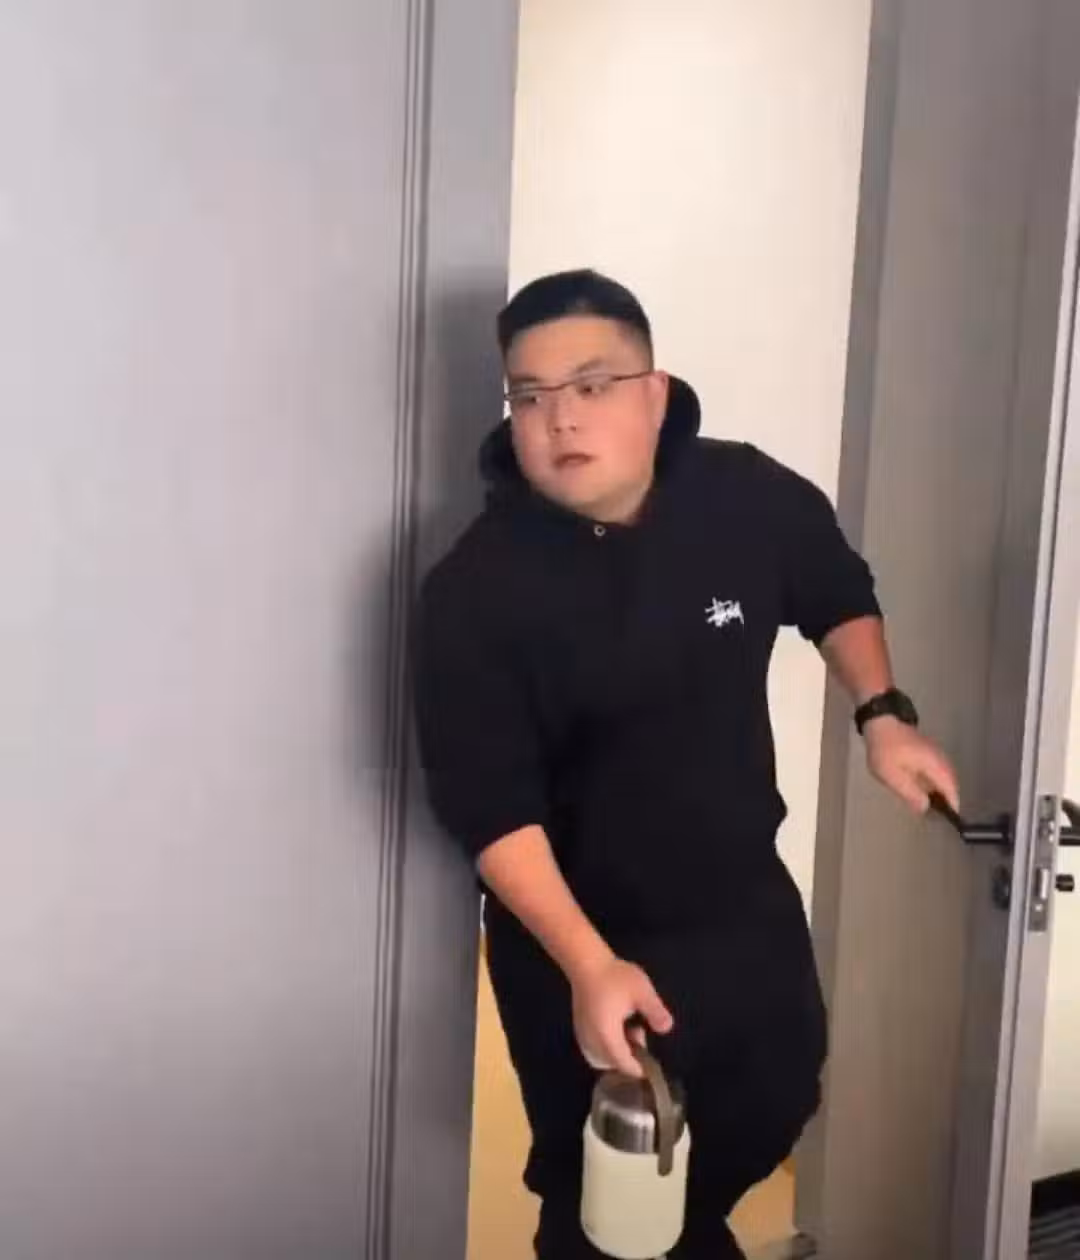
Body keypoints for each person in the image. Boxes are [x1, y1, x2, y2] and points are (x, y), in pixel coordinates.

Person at [413, 269, 960, 1259]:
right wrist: (589, 967)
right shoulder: (475, 590)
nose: (559, 419)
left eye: (591, 385)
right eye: (529, 396)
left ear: (654, 394)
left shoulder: (744, 496)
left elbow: (835, 589)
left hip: (743, 908)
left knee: (778, 1095)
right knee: (606, 1188)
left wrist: (882, 711)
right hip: (584, 936)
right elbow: (491, 808)